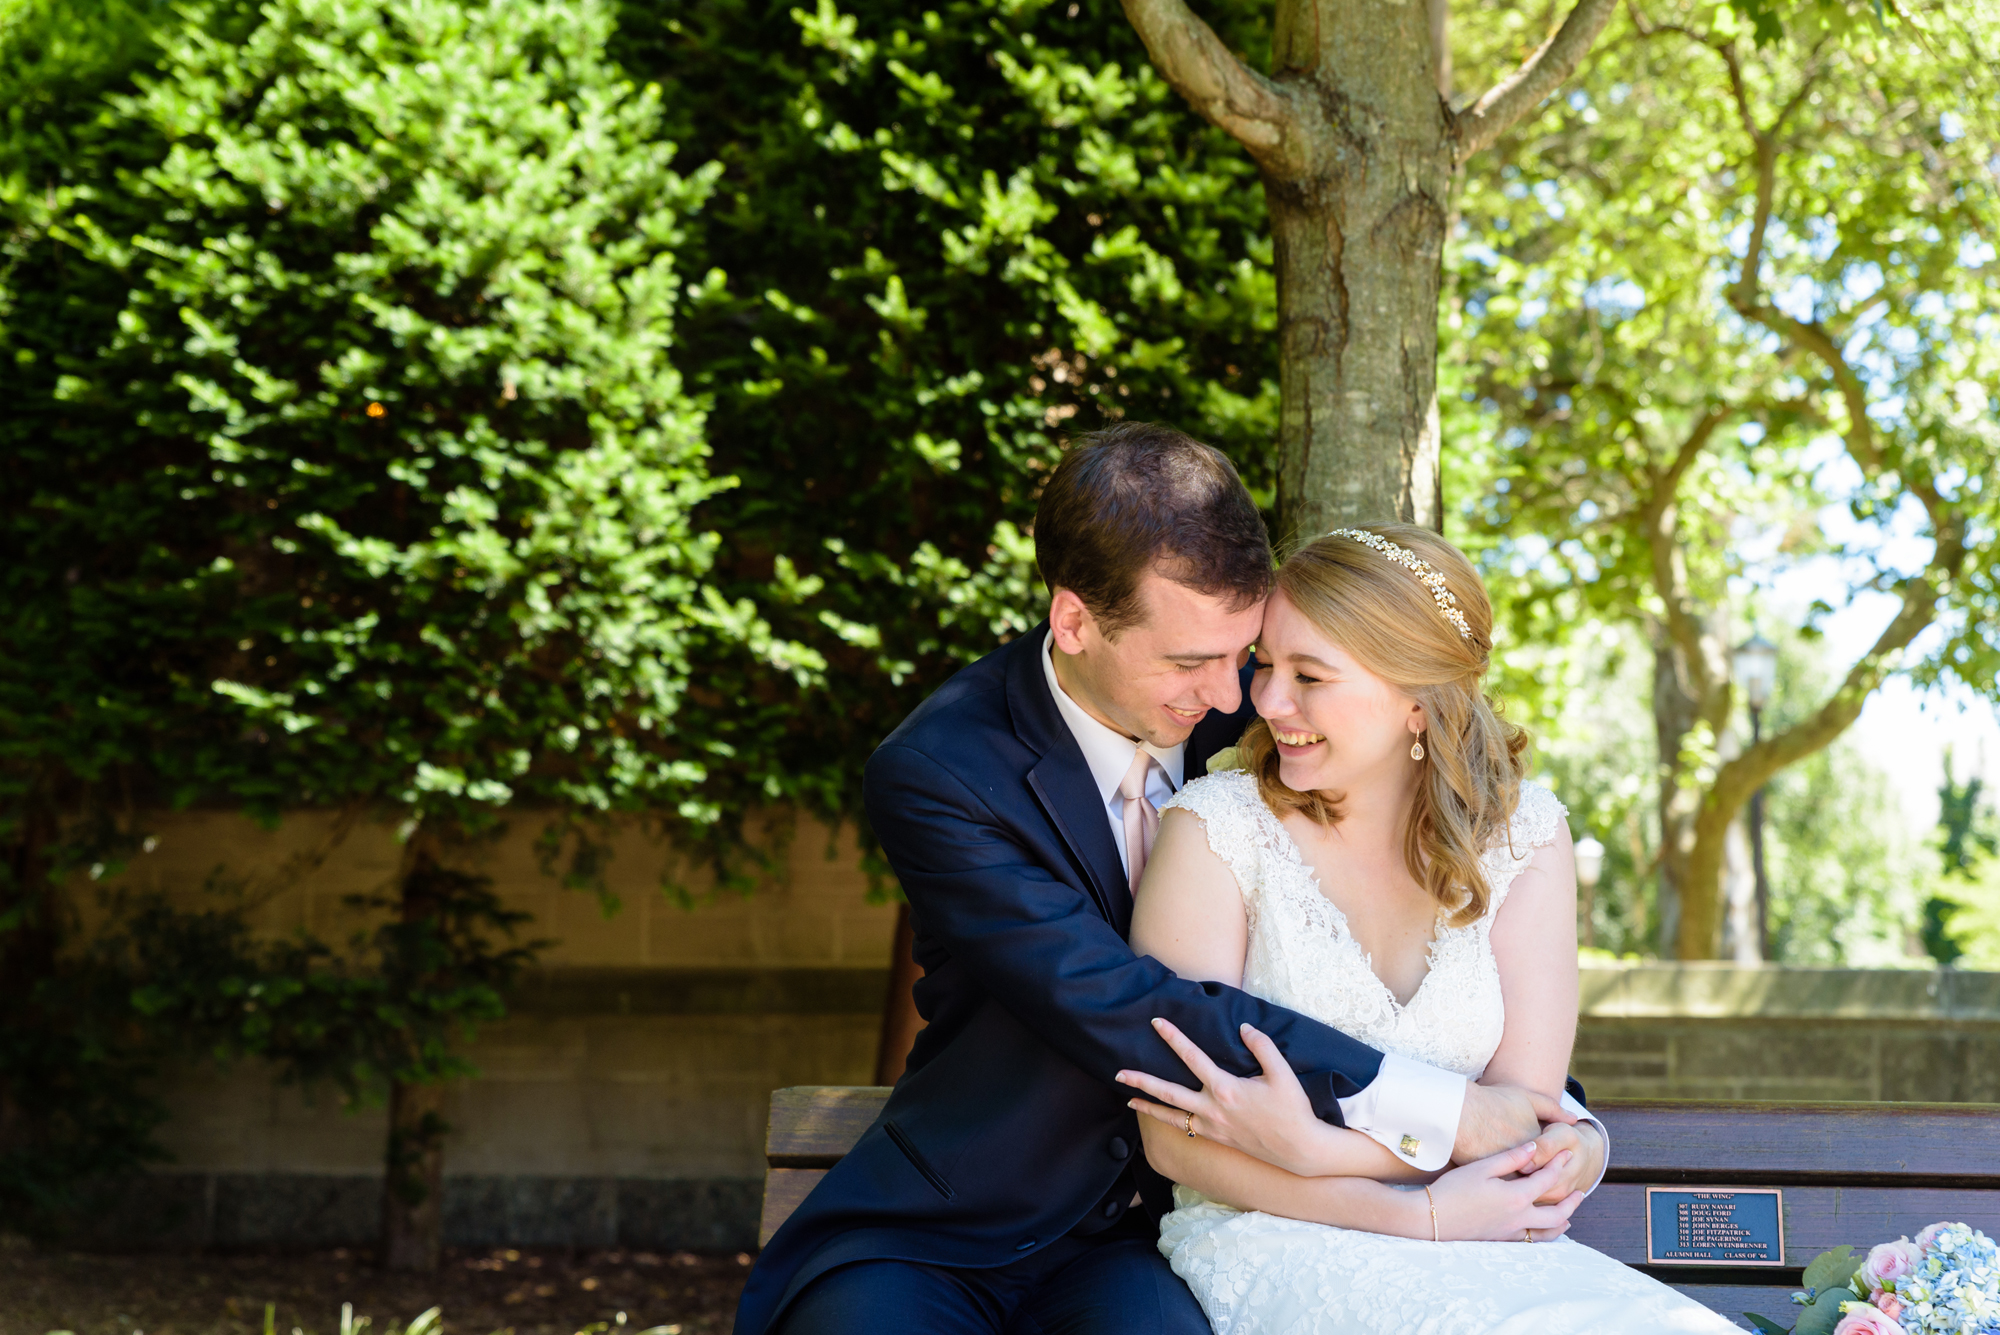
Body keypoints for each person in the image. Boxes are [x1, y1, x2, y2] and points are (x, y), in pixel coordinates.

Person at [733, 425, 1605, 1335]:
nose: (1238, 699)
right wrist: (1445, 1112)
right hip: (958, 1218)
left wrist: (1560, 1121)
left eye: (1247, 654)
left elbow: (1456, 966)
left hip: (1150, 1240)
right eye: (1196, 663)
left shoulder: (1277, 733)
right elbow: (1120, 999)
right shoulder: (942, 771)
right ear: (1075, 622)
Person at [1112, 524, 1740, 1333]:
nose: (1265, 701)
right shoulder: (1214, 829)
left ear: (1417, 698)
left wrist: (1320, 1145)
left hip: (1494, 1241)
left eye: (1310, 675)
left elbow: (1525, 1112)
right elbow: (1175, 1144)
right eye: (1265, 663)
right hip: (1273, 1240)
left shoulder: (1525, 838)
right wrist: (1417, 1204)